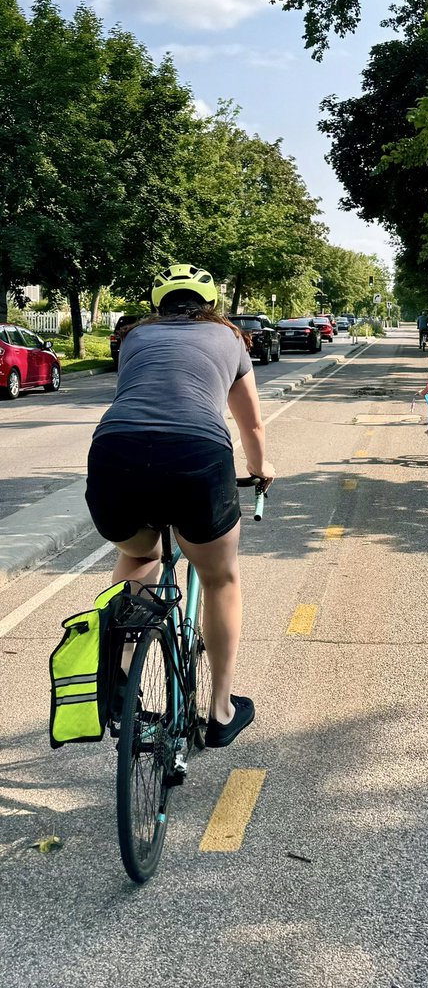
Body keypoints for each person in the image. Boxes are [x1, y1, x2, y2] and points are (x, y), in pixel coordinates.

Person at [84, 263, 276, 748]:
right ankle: (220, 710)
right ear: (210, 304)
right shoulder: (231, 340)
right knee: (220, 577)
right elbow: (251, 425)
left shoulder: (134, 339)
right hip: (196, 453)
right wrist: (261, 468)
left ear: (158, 305)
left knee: (139, 555)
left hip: (114, 452)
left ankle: (121, 672)